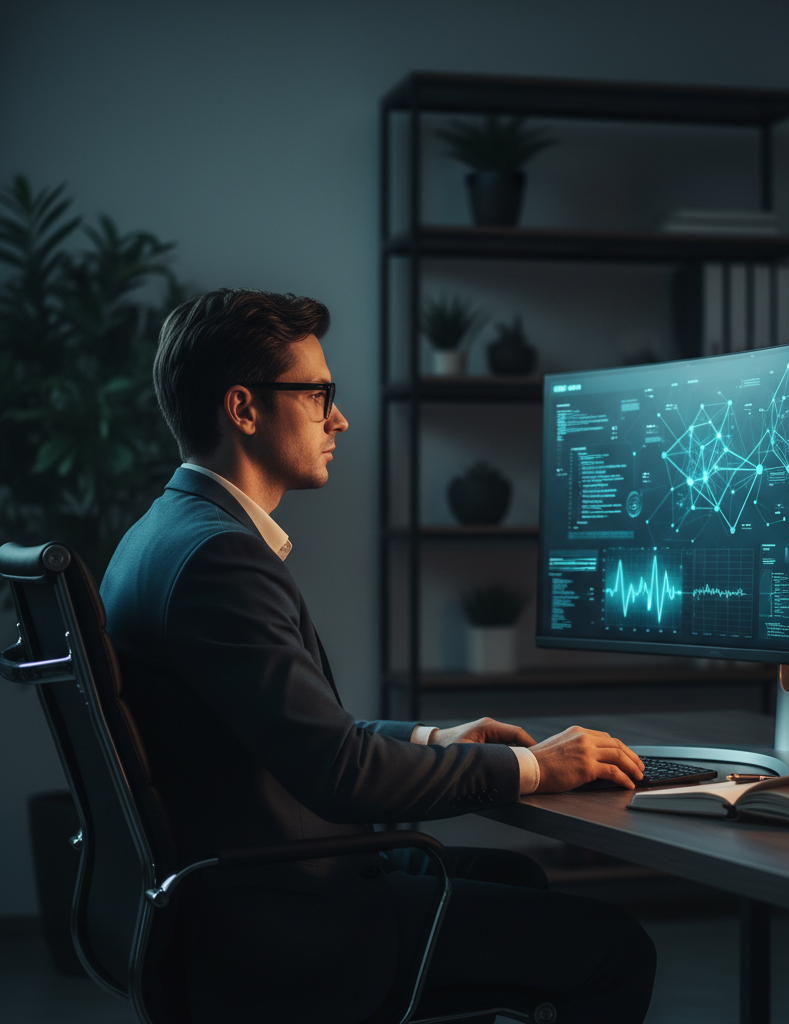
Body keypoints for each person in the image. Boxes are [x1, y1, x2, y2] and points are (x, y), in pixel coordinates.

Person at [100, 288, 657, 1024]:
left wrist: (434, 740)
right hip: (284, 920)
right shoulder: (217, 560)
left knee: (512, 874)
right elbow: (337, 774)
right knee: (617, 948)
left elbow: (297, 733)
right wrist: (535, 768)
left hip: (237, 882)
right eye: (318, 393)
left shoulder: (164, 532)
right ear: (244, 409)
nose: (339, 418)